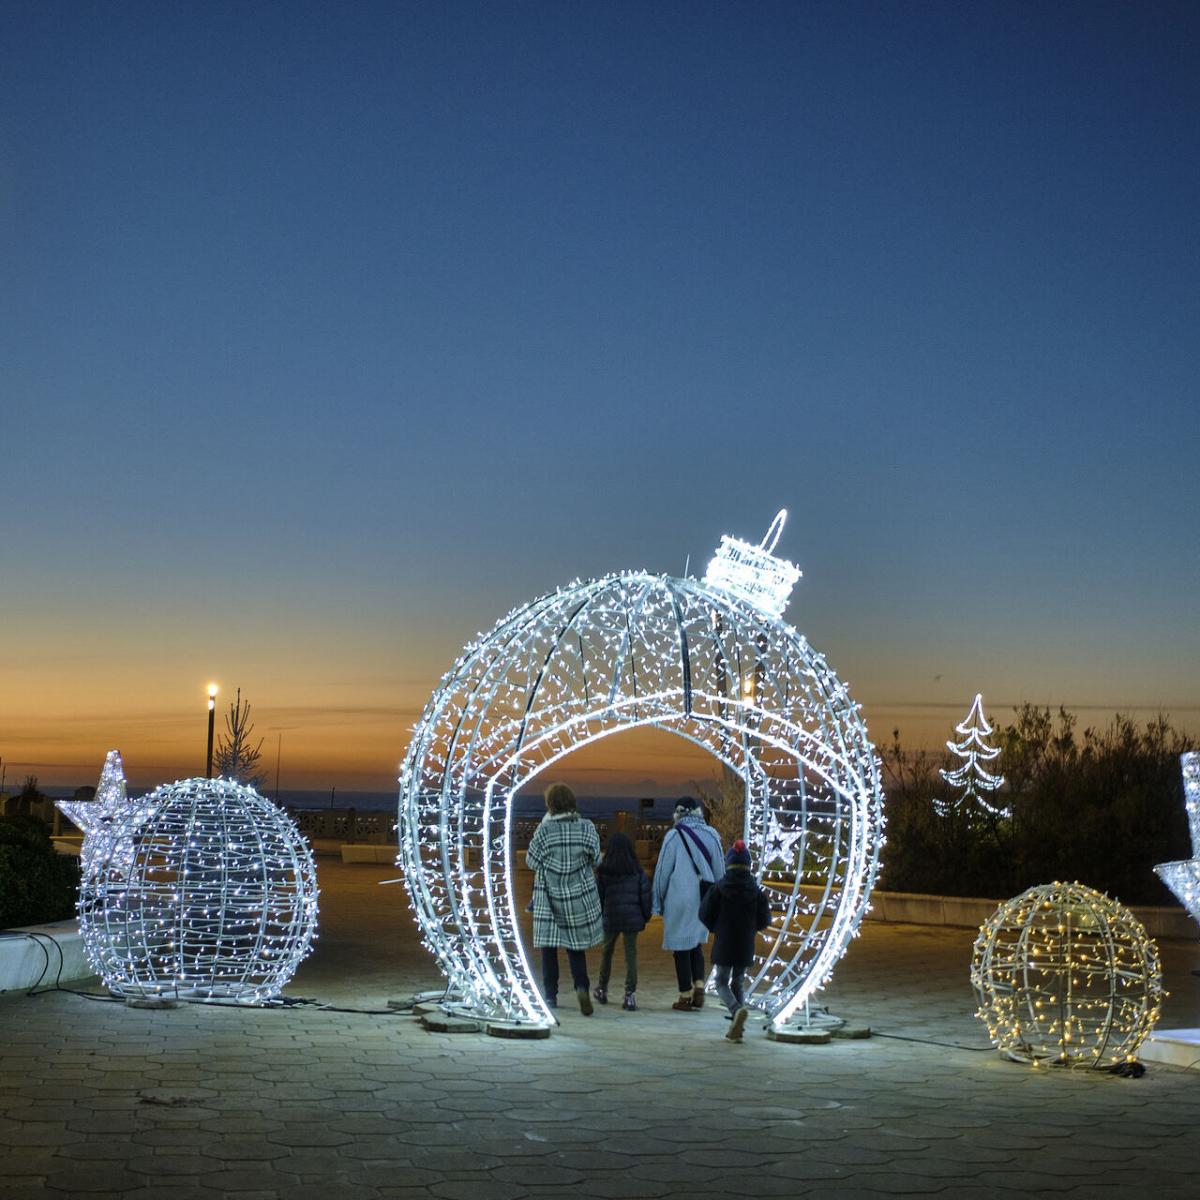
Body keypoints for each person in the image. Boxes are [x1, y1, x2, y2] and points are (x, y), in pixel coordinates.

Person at [525, 781, 603, 1014]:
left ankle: (550, 996)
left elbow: (531, 860)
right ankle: (581, 988)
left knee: (549, 949)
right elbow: (596, 858)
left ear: (550, 805)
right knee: (575, 948)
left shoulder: (544, 830)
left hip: (548, 897)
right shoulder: (586, 827)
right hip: (577, 896)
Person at [651, 796, 723, 1011]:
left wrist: (657, 901)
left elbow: (662, 872)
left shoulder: (673, 836)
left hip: (679, 897)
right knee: (695, 944)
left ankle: (684, 995)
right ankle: (699, 985)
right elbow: (720, 869)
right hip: (704, 897)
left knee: (680, 947)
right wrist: (718, 899)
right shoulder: (712, 834)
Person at [699, 839, 772, 1042]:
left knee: (721, 981)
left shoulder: (719, 888)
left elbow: (704, 913)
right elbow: (765, 919)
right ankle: (736, 1029)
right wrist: (751, 929)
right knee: (737, 982)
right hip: (745, 942)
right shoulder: (756, 892)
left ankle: (735, 1010)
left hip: (724, 940)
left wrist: (717, 928)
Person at [593, 831, 652, 1011]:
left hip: (611, 915)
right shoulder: (637, 870)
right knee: (630, 954)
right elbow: (645, 896)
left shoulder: (604, 871)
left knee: (607, 952)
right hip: (631, 917)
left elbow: (599, 897)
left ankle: (602, 988)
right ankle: (629, 995)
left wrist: (601, 914)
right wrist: (645, 915)